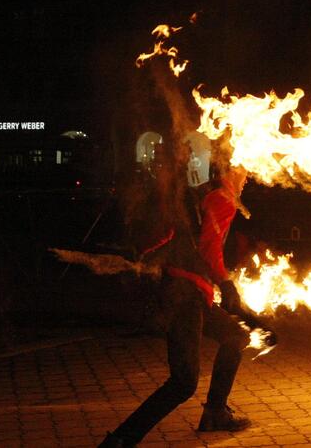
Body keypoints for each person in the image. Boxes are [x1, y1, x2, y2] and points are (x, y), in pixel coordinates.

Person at [99, 165, 253, 448]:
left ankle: (215, 413)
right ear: (231, 170)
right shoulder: (222, 198)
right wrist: (226, 283)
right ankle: (121, 439)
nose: (248, 177)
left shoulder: (205, 195)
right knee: (183, 382)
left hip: (190, 290)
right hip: (183, 294)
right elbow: (209, 247)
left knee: (236, 335)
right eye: (244, 171)